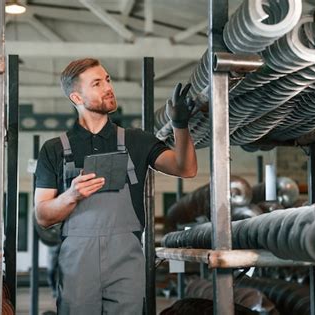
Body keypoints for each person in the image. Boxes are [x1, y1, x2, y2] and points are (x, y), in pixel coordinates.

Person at [34, 58, 197, 314]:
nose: (108, 87)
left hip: (126, 259)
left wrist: (180, 126)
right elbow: (43, 216)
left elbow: (185, 168)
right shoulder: (54, 149)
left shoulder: (136, 141)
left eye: (108, 80)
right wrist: (72, 195)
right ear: (77, 97)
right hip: (78, 261)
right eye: (97, 83)